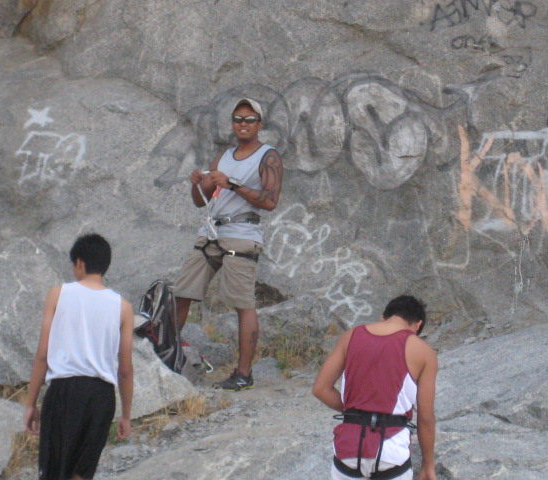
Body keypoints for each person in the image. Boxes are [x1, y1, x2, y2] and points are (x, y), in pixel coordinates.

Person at [173, 98, 283, 391]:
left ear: (259, 124)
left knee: (242, 303)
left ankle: (243, 373)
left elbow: (270, 201)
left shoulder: (267, 156)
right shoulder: (223, 157)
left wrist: (231, 183)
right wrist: (201, 182)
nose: (243, 124)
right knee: (182, 292)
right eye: (238, 119)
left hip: (242, 232)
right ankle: (167, 357)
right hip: (212, 230)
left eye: (249, 119)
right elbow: (200, 200)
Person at [23, 233, 135, 480]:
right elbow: (125, 369)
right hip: (102, 397)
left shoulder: (58, 294)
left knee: (53, 468)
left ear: (80, 263)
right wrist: (126, 415)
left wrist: (31, 403)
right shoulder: (123, 307)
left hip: (64, 390)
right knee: (82, 472)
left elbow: (43, 355)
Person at [312, 295, 438, 480]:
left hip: (349, 448)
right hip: (391, 451)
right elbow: (426, 417)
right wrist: (428, 465)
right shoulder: (423, 351)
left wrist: (355, 411)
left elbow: (321, 389)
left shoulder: (351, 336)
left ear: (383, 317)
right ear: (417, 325)